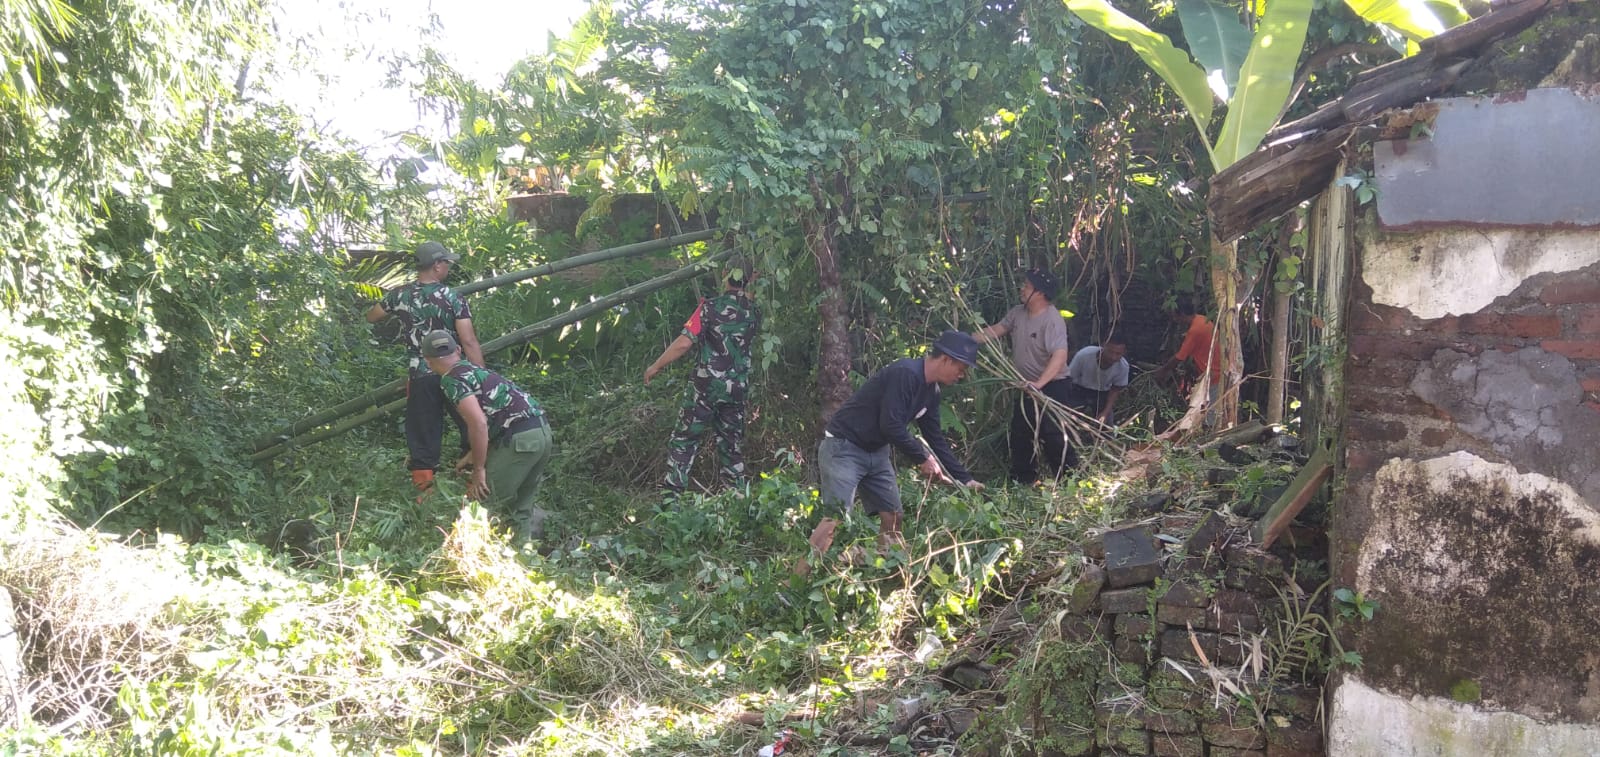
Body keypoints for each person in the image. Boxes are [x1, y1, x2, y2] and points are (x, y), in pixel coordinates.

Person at [803, 331, 986, 571]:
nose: (961, 376)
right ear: (946, 360)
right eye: (961, 369)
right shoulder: (905, 374)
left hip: (876, 451)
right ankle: (796, 583)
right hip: (844, 446)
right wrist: (923, 458)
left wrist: (965, 479)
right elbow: (890, 424)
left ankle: (884, 572)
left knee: (893, 516)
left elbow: (935, 439)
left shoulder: (931, 393)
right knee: (834, 518)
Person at [365, 241, 485, 491]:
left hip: (420, 373)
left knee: (423, 433)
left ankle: (424, 496)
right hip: (455, 373)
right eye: (447, 263)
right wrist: (480, 376)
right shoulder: (453, 297)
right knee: (469, 424)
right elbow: (469, 340)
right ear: (437, 265)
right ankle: (472, 489)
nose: (449, 267)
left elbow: (372, 316)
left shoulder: (400, 295)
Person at [421, 329, 555, 541]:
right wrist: (472, 455)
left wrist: (478, 469)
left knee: (482, 505)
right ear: (457, 350)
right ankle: (522, 559)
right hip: (541, 434)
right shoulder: (474, 369)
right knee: (518, 509)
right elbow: (497, 417)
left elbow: (479, 424)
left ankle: (468, 560)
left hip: (518, 440)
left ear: (427, 361)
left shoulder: (451, 379)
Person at [643, 263, 761, 497]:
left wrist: (655, 366)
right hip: (736, 390)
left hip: (705, 389)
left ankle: (671, 500)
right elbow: (746, 297)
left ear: (727, 276)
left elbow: (684, 342)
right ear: (750, 280)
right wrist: (753, 280)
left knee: (684, 440)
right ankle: (738, 501)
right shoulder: (753, 310)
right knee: (731, 446)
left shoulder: (709, 308)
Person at [974, 268, 1074, 484]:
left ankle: (1068, 479)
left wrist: (1040, 384)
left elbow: (1059, 356)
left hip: (1053, 385)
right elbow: (998, 329)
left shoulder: (1052, 320)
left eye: (1027, 285)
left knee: (1054, 433)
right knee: (1021, 431)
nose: (1022, 288)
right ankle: (1024, 479)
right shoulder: (1018, 312)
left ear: (1039, 293)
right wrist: (968, 339)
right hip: (1027, 385)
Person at [1153, 298, 1219, 397]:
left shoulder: (1195, 330)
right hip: (1218, 372)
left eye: (1175, 316)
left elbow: (1179, 357)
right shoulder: (1203, 319)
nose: (1174, 319)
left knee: (1212, 410)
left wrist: (1163, 371)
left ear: (1182, 314)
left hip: (1214, 377)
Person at [1067, 336, 1130, 424]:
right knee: (1068, 420)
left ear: (1123, 352)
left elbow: (1115, 391)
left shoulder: (1123, 367)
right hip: (1078, 390)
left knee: (1106, 426)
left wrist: (1105, 413)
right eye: (1110, 352)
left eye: (1118, 354)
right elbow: (1068, 378)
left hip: (1102, 394)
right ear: (1103, 347)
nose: (1113, 357)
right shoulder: (1084, 355)